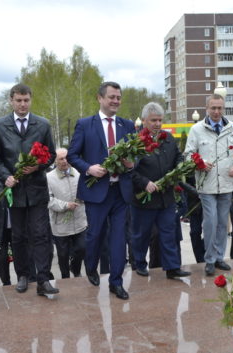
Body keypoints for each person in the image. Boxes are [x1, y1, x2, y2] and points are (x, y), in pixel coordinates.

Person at [0, 83, 58, 297]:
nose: (22, 104)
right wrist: (5, 177)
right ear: (11, 100)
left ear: (30, 100)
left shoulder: (43, 124)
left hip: (36, 189)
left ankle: (44, 278)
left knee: (40, 235)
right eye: (18, 100)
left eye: (26, 100)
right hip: (14, 191)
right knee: (18, 236)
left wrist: (38, 166)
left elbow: (52, 155)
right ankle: (23, 275)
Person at [67, 81, 136, 300]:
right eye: (111, 97)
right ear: (100, 98)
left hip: (120, 192)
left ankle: (116, 282)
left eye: (118, 97)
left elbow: (136, 158)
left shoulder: (127, 126)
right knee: (95, 235)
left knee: (118, 239)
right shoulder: (85, 124)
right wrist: (88, 168)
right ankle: (90, 266)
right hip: (96, 191)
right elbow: (72, 155)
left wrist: (129, 164)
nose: (116, 101)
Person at [184, 94, 233, 276]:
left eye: (220, 108)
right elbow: (188, 155)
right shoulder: (197, 130)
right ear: (207, 108)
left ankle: (219, 257)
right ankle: (209, 259)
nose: (217, 112)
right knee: (210, 222)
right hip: (207, 185)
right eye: (213, 108)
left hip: (227, 184)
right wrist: (200, 163)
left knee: (222, 223)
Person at [130, 102, 191, 279]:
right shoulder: (135, 142)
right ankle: (140, 263)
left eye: (160, 120)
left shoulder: (168, 138)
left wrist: (180, 166)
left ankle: (172, 267)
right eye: (153, 120)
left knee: (168, 233)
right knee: (142, 234)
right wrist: (144, 183)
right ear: (144, 120)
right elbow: (129, 170)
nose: (157, 124)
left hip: (166, 197)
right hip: (144, 198)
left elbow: (177, 156)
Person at [47, 148, 87, 278]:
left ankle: (75, 270)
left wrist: (84, 197)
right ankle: (65, 277)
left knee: (82, 248)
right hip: (60, 224)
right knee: (63, 255)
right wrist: (65, 205)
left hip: (80, 220)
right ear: (55, 161)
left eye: (66, 158)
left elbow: (87, 190)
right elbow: (48, 200)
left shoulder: (79, 172)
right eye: (61, 159)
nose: (65, 161)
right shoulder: (48, 177)